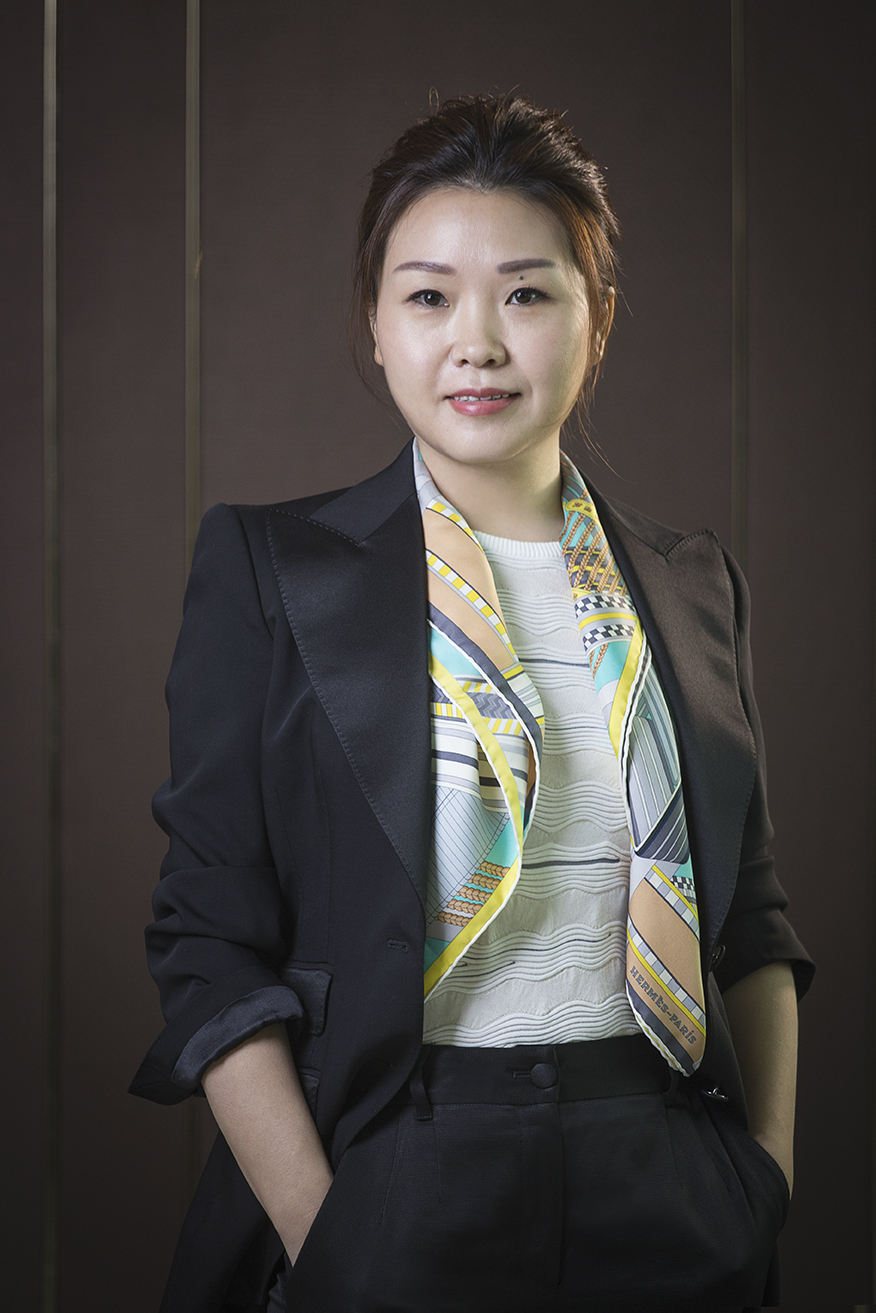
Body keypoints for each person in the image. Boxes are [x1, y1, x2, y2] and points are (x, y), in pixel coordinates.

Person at [131, 93, 813, 1313]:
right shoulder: (271, 571)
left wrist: (764, 1176)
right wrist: (329, 1234)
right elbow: (208, 937)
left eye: (528, 293)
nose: (477, 343)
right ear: (377, 323)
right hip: (398, 1170)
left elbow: (753, 921)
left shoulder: (692, 581)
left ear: (598, 318)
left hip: (666, 1172)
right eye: (430, 296)